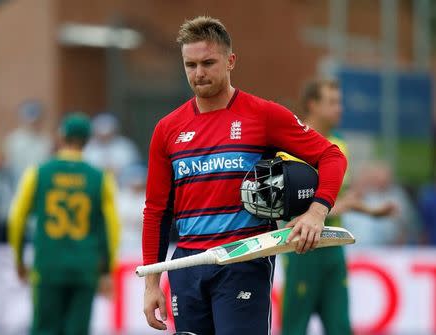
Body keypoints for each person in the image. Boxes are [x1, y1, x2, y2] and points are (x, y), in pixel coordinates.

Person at [142, 17, 347, 335]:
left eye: (208, 63)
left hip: (244, 260)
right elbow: (156, 211)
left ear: (230, 61)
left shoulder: (263, 115)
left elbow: (331, 157)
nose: (199, 73)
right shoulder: (167, 129)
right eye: (190, 65)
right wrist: (152, 283)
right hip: (187, 266)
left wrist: (317, 212)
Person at [281, 79, 395, 335]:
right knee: (294, 328)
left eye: (339, 102)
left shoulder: (339, 143)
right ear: (313, 105)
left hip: (334, 249)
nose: (340, 108)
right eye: (332, 102)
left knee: (341, 327)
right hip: (302, 250)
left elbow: (341, 198)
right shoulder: (291, 147)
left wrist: (373, 212)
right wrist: (337, 207)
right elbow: (293, 212)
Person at [8, 113, 120, 335]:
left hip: (47, 265)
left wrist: (19, 260)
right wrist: (107, 270)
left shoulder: (38, 173)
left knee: (44, 329)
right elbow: (112, 228)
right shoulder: (100, 178)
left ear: (61, 136)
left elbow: (17, 219)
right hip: (84, 268)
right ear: (88, 141)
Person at [4, 100, 53, 187]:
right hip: (19, 185)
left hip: (41, 184)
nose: (34, 124)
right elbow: (10, 167)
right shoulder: (14, 140)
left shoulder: (46, 139)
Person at [83, 112, 142, 178]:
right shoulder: (88, 147)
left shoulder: (126, 146)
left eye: (108, 134)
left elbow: (135, 170)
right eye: (101, 135)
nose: (105, 137)